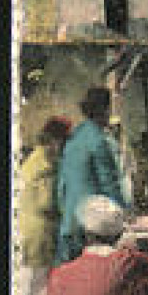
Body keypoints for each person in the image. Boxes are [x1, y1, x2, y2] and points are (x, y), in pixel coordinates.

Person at [17, 117, 74, 295]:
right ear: (53, 140)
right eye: (64, 141)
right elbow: (47, 202)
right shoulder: (43, 166)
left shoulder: (40, 161)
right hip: (38, 232)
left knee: (37, 285)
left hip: (39, 231)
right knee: (38, 287)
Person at [56, 86, 128, 264]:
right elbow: (109, 185)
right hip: (89, 228)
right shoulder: (98, 141)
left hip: (68, 224)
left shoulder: (74, 138)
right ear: (105, 110)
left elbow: (62, 185)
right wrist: (123, 216)